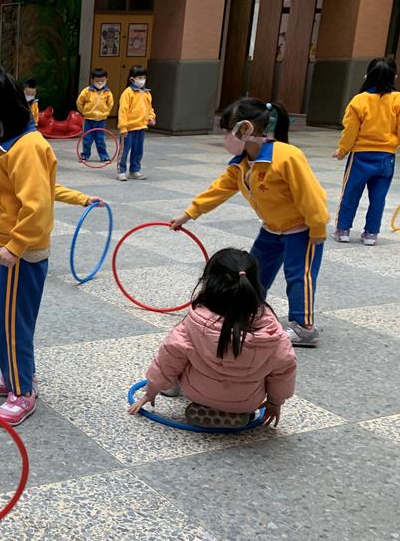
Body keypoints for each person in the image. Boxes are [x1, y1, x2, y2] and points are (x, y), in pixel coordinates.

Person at [0, 70, 92, 426]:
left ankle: (22, 391)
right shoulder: (8, 144)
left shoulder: (28, 147)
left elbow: (36, 206)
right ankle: (14, 376)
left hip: (20, 255)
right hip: (5, 250)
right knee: (6, 321)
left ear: (3, 112)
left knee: (11, 325)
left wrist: (16, 246)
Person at [170, 98, 328, 348]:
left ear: (245, 129)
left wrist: (317, 227)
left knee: (299, 275)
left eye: (227, 130)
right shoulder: (241, 163)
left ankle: (304, 327)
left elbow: (310, 195)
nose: (225, 137)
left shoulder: (287, 156)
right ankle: (248, 311)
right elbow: (219, 190)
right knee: (254, 272)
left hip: (301, 229)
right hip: (271, 228)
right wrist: (189, 214)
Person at [127, 248, 296, 428]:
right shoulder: (272, 330)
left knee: (179, 358)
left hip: (198, 392)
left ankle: (173, 390)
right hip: (247, 400)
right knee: (266, 366)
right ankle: (237, 410)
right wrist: (275, 402)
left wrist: (151, 391)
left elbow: (168, 359)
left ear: (209, 281)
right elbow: (284, 370)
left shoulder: (195, 321)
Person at [333, 57, 400, 246]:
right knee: (378, 197)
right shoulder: (398, 99)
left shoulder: (359, 100)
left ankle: (343, 230)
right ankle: (371, 234)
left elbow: (350, 130)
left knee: (351, 193)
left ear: (367, 76)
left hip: (361, 157)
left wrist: (342, 150)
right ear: (394, 77)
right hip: (386, 158)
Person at [117, 64, 155, 181]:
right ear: (132, 79)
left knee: (138, 150)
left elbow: (149, 108)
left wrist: (151, 117)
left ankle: (134, 170)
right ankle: (121, 171)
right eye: (139, 77)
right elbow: (123, 111)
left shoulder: (147, 93)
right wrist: (123, 128)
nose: (142, 80)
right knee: (124, 151)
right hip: (128, 129)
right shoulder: (127, 93)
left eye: (144, 77)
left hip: (141, 127)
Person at [77, 68, 114, 161]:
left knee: (100, 139)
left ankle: (104, 156)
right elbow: (79, 102)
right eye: (97, 81)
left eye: (102, 80)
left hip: (101, 120)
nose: (100, 82)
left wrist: (106, 113)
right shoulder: (87, 91)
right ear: (92, 80)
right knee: (87, 139)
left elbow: (110, 104)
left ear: (106, 79)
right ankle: (85, 154)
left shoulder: (108, 92)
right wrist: (84, 112)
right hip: (89, 119)